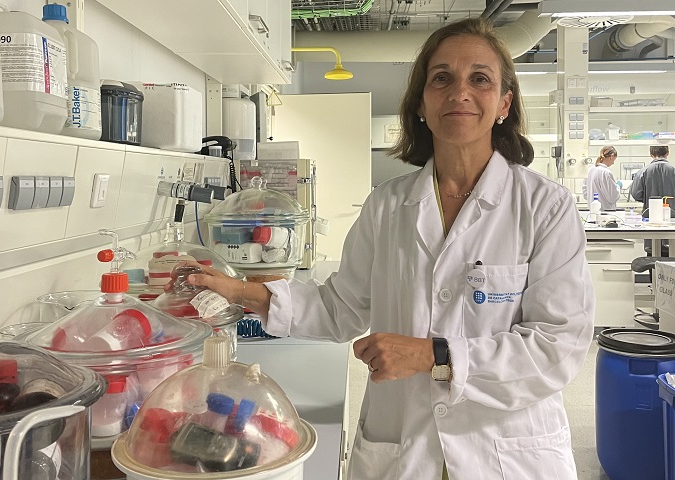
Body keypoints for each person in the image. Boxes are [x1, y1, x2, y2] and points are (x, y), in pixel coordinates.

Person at [170, 17, 595, 480]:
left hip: (507, 453)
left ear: (503, 104)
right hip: (404, 447)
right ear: (421, 104)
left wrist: (435, 356)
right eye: (442, 78)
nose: (460, 93)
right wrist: (239, 291)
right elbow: (341, 308)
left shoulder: (545, 207)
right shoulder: (388, 205)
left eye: (480, 79)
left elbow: (558, 344)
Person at [630, 145, 675, 255]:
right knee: (672, 253)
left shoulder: (643, 171)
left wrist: (648, 198)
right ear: (667, 153)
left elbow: (635, 193)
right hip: (672, 218)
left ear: (651, 154)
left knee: (652, 253)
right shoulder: (673, 170)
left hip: (651, 218)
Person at [583, 145, 621, 210]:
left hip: (592, 211)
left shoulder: (590, 170)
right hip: (605, 211)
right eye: (614, 160)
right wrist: (618, 186)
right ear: (611, 156)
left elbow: (585, 194)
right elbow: (612, 197)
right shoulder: (606, 173)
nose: (613, 163)